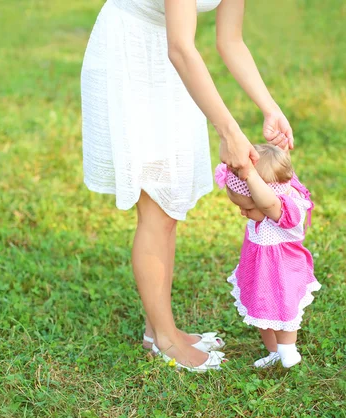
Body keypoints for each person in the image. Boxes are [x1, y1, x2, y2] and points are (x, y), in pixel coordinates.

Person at [80, 0, 294, 371]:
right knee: (156, 207)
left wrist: (269, 106)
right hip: (133, 53)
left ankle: (159, 329)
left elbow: (231, 41)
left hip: (177, 64)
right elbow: (181, 46)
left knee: (169, 203)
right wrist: (228, 130)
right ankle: (164, 339)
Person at [216, 144, 321, 368]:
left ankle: (287, 348)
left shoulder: (285, 212)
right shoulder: (263, 206)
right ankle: (273, 352)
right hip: (259, 273)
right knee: (261, 314)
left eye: (247, 208)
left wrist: (251, 175)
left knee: (284, 309)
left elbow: (268, 201)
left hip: (283, 274)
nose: (242, 213)